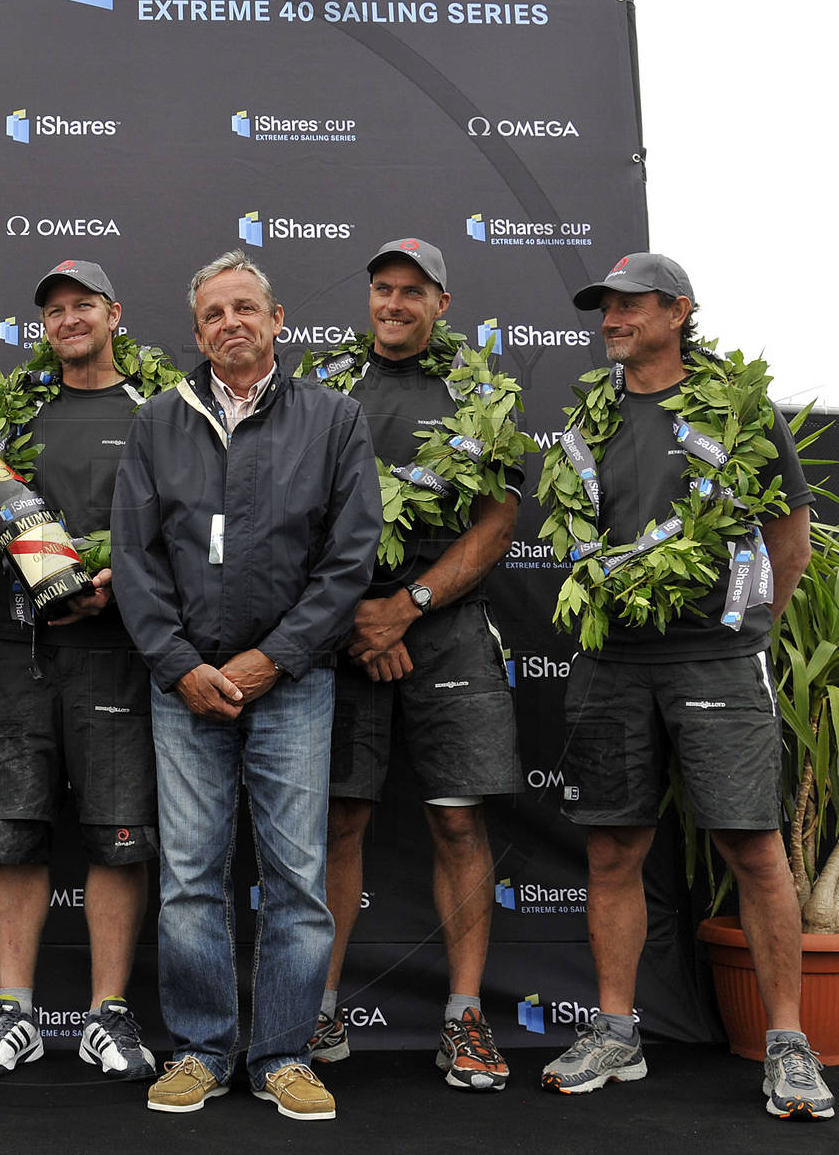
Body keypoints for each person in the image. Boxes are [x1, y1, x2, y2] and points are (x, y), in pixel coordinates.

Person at [536, 253, 828, 1120]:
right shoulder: (587, 415)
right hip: (612, 663)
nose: (612, 318)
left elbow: (790, 544)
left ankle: (788, 1044)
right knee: (612, 849)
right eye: (606, 306)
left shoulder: (739, 411)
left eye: (630, 305)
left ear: (678, 311)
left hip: (716, 662)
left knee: (754, 850)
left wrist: (740, 635)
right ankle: (615, 1033)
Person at [113, 249, 380, 1121]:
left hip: (293, 684)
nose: (231, 322)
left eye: (245, 308)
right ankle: (198, 1051)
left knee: (297, 880)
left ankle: (284, 1056)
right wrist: (180, 665)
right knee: (189, 878)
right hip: (184, 687)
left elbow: (349, 559)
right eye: (213, 314)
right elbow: (135, 559)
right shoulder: (158, 422)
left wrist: (275, 659)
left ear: (275, 321)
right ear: (197, 334)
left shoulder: (334, 418)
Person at [300, 238, 525, 1088]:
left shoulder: (481, 393)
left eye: (412, 291)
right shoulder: (321, 384)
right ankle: (318, 1010)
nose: (393, 304)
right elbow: (289, 510)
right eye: (382, 289)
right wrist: (362, 616)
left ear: (442, 304)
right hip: (343, 628)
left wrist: (408, 606)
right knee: (337, 822)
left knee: (459, 822)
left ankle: (464, 1018)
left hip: (446, 629)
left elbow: (497, 525)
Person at [0, 260, 177, 1082]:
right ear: (42, 326)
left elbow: (187, 520)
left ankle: (106, 1015)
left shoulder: (159, 409)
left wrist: (122, 583)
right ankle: (12, 1012)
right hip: (21, 648)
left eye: (84, 305)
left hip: (120, 649)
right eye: (55, 309)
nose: (69, 318)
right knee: (12, 829)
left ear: (115, 315)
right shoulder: (11, 415)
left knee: (119, 836)